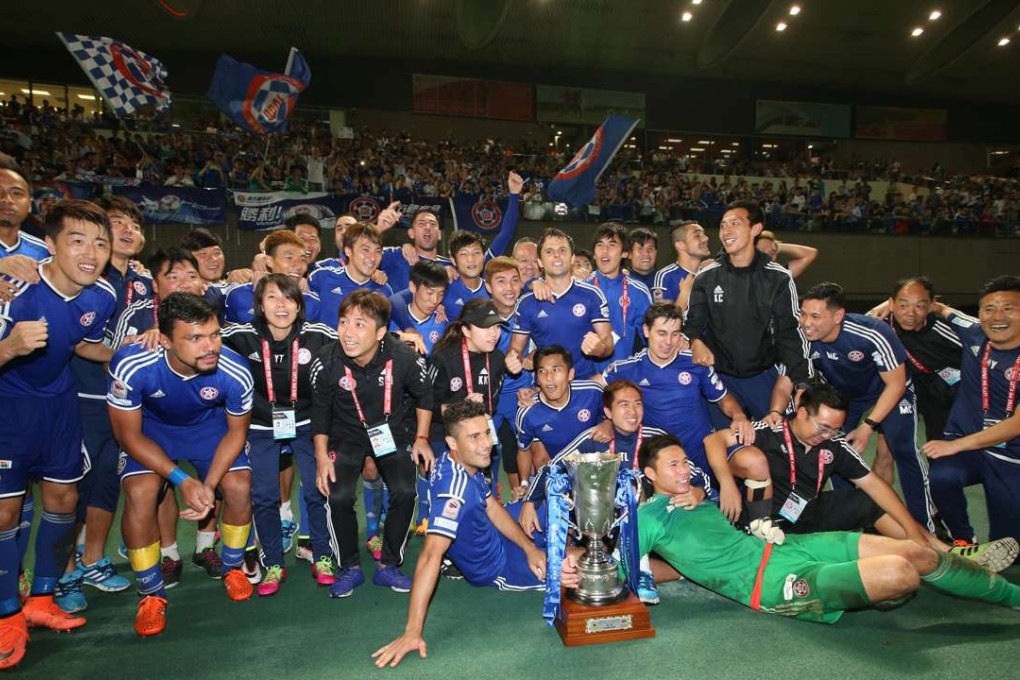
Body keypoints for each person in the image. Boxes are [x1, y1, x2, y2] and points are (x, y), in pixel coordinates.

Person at [638, 433, 1020, 623]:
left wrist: (700, 491)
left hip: (790, 546)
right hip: (769, 584)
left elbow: (698, 543)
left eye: (684, 461)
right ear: (649, 474)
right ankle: (875, 588)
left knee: (919, 553)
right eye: (674, 465)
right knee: (900, 573)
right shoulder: (649, 517)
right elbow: (627, 565)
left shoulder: (693, 495)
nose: (685, 469)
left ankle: (1011, 596)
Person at [704, 383, 1019, 571]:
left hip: (805, 514)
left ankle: (940, 550)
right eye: (821, 426)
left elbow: (875, 485)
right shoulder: (770, 429)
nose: (826, 435)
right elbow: (712, 441)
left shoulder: (833, 443)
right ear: (801, 412)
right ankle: (934, 551)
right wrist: (728, 485)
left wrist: (916, 530)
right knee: (750, 458)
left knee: (869, 498)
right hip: (762, 519)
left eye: (834, 429)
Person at [372, 399, 579, 669]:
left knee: (560, 503)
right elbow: (429, 556)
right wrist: (412, 631)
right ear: (453, 443)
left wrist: (529, 547)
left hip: (498, 533)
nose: (485, 444)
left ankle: (567, 541)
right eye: (474, 437)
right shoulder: (454, 488)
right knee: (581, 567)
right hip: (498, 566)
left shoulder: (460, 462)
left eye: (486, 433)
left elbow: (492, 507)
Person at [0, 200, 117, 669]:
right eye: (77, 240)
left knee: (65, 501)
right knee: (5, 510)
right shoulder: (12, 288)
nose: (91, 253)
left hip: (61, 406)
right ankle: (7, 613)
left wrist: (125, 349)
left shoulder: (102, 295)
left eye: (100, 243)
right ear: (49, 244)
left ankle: (43, 601)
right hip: (9, 408)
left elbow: (81, 343)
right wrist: (8, 346)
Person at [108, 293, 256, 637]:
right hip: (152, 431)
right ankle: (151, 593)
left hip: (208, 428)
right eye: (195, 338)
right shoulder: (133, 363)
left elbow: (236, 433)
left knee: (238, 486)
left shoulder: (234, 369)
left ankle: (233, 567)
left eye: (215, 334)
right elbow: (127, 436)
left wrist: (208, 482)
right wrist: (180, 479)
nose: (210, 347)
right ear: (166, 339)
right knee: (142, 493)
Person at [310, 290, 434, 598]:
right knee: (337, 495)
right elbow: (320, 412)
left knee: (406, 491)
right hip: (345, 435)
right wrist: (322, 458)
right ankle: (349, 567)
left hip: (391, 431)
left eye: (359, 324)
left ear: (381, 332)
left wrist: (421, 438)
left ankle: (389, 565)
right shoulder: (326, 360)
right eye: (343, 322)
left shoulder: (403, 356)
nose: (347, 333)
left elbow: (425, 396)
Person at [60, 195, 152, 611]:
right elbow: (77, 343)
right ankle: (60, 572)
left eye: (134, 223)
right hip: (81, 395)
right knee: (71, 487)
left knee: (107, 482)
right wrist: (122, 351)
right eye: (118, 223)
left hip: (125, 400)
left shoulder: (143, 281)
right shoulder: (84, 279)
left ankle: (92, 560)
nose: (128, 230)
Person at [221, 274, 339, 596]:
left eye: (289, 298)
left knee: (318, 489)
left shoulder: (319, 335)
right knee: (263, 496)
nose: (281, 305)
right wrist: (158, 335)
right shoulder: (240, 335)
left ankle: (323, 554)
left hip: (307, 424)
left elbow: (357, 342)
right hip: (260, 426)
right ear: (259, 305)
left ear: (300, 305)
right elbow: (198, 337)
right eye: (272, 298)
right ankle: (273, 562)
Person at [800, 282, 935, 531]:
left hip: (888, 390)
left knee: (903, 449)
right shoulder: (803, 338)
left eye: (816, 316)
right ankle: (860, 522)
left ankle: (925, 527)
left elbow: (895, 385)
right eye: (803, 313)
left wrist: (868, 426)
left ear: (838, 315)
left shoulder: (872, 332)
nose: (807, 322)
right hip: (843, 396)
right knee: (836, 452)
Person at [685, 200, 811, 430]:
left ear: (755, 229)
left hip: (762, 375)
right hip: (721, 378)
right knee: (722, 449)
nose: (726, 231)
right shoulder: (707, 277)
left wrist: (801, 381)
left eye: (735, 223)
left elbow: (789, 333)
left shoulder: (778, 278)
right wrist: (695, 341)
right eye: (723, 225)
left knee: (781, 442)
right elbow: (692, 324)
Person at [923, 275, 1020, 551]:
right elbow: (942, 309)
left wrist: (954, 445)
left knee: (1010, 547)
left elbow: (1016, 425)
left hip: (1011, 454)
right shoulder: (974, 331)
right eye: (989, 309)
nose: (997, 316)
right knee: (941, 478)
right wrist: (889, 303)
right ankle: (964, 541)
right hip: (968, 448)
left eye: (1008, 308)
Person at [600, 302, 750, 475]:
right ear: (646, 331)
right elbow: (595, 388)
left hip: (701, 454)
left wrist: (739, 415)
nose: (669, 342)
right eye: (662, 333)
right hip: (659, 461)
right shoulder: (627, 369)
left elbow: (723, 397)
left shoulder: (695, 363)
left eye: (675, 334)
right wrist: (605, 420)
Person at [510, 228, 614, 380]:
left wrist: (600, 348)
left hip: (584, 384)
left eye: (562, 250)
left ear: (572, 258)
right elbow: (515, 348)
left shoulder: (592, 295)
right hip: (547, 386)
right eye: (549, 252)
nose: (557, 255)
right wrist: (512, 359)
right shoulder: (527, 303)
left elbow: (608, 342)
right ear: (540, 261)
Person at [514, 346, 605, 482]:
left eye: (555, 370)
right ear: (537, 379)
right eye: (542, 371)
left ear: (570, 374)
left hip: (600, 467)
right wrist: (525, 483)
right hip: (562, 476)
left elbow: (613, 414)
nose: (549, 377)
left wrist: (608, 423)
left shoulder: (592, 392)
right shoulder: (527, 412)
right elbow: (523, 450)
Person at [484, 256, 531, 492]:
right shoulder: (478, 317)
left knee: (531, 450)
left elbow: (547, 349)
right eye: (501, 281)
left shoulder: (531, 311)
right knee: (485, 455)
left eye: (515, 280)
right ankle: (486, 509)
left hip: (521, 397)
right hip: (488, 399)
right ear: (489, 286)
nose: (509, 288)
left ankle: (532, 506)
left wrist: (533, 360)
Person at [588, 222, 653, 369]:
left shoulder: (638, 292)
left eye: (611, 245)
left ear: (624, 252)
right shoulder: (582, 287)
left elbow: (651, 340)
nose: (604, 251)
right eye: (599, 245)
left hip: (622, 376)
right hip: (584, 377)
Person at [224, 230, 321, 324]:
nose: (298, 265)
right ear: (269, 261)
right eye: (289, 257)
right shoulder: (237, 295)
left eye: (302, 259)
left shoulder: (311, 303)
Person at [308, 222, 393, 327]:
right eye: (365, 250)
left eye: (378, 251)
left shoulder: (384, 291)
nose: (372, 258)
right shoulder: (321, 278)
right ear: (348, 251)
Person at [379, 208, 451, 294]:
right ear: (411, 233)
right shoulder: (396, 255)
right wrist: (379, 228)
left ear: (439, 235)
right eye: (421, 223)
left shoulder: (452, 267)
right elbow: (362, 255)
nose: (427, 227)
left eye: (432, 224)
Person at [388, 260, 449, 357]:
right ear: (413, 287)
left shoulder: (443, 324)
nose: (435, 300)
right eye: (430, 293)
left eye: (440, 294)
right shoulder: (391, 320)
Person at [652, 220, 710, 309]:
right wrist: (685, 294)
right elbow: (663, 320)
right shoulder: (665, 276)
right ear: (680, 245)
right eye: (697, 235)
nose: (706, 238)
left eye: (704, 234)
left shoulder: (710, 273)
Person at [625, 226, 658, 290]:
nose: (646, 253)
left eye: (650, 249)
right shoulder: (622, 281)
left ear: (656, 253)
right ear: (629, 254)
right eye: (640, 249)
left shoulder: (665, 280)